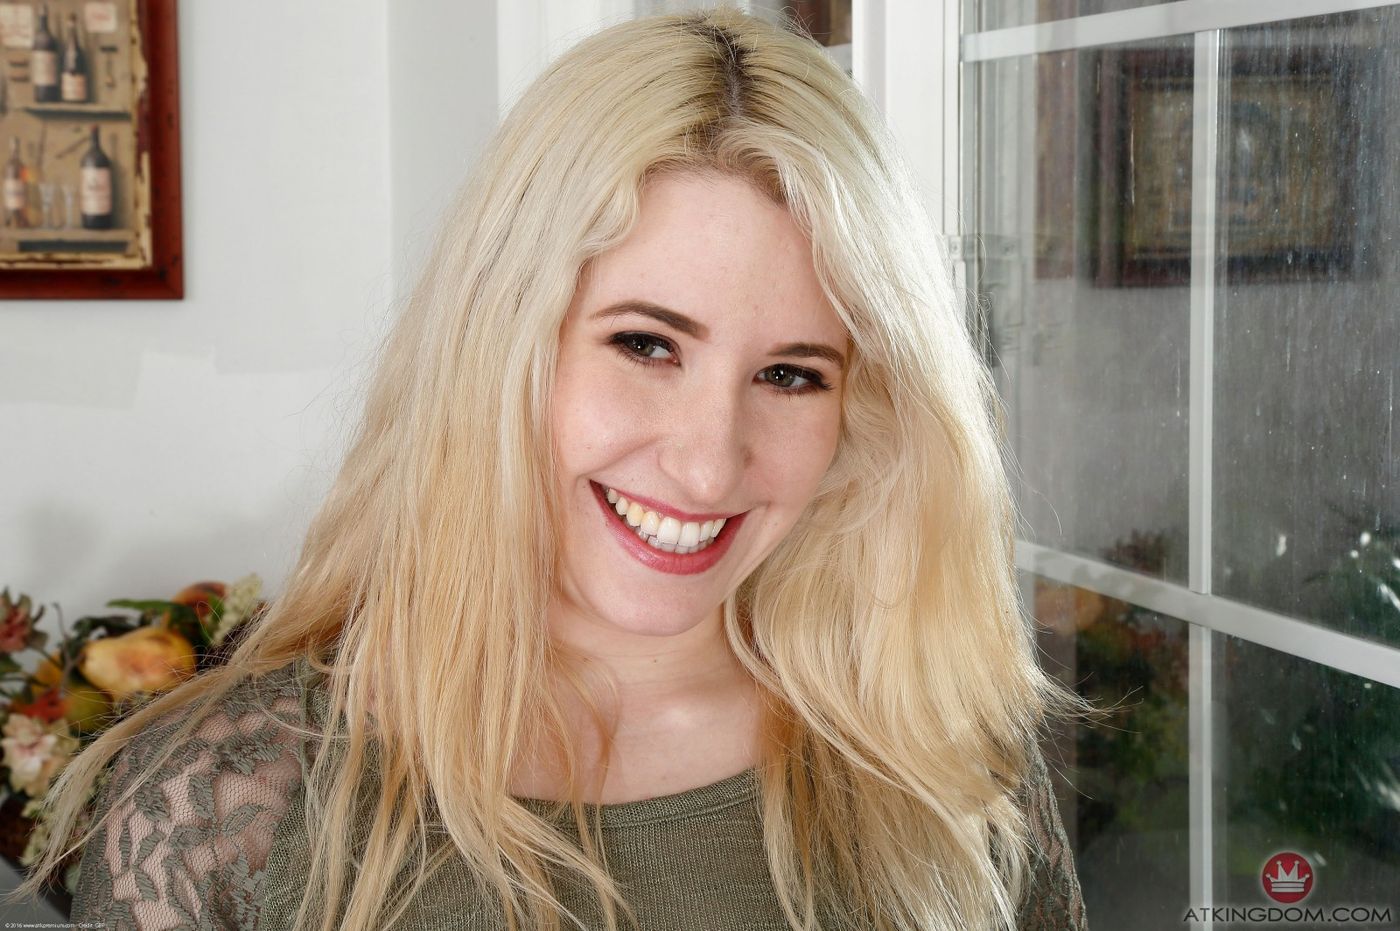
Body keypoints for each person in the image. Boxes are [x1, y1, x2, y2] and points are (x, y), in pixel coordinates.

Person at [17, 8, 1088, 930]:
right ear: (500, 339)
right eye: (645, 344)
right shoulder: (224, 806)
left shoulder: (942, 766)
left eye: (790, 374)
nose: (707, 464)